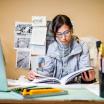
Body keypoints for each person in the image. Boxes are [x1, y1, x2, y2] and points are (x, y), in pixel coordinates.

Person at [28, 14, 95, 83]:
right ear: (55, 34)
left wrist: (88, 77)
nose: (63, 38)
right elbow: (47, 71)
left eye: (67, 33)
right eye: (59, 34)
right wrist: (35, 74)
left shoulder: (82, 46)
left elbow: (84, 70)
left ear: (71, 30)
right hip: (57, 87)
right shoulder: (51, 47)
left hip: (76, 86)